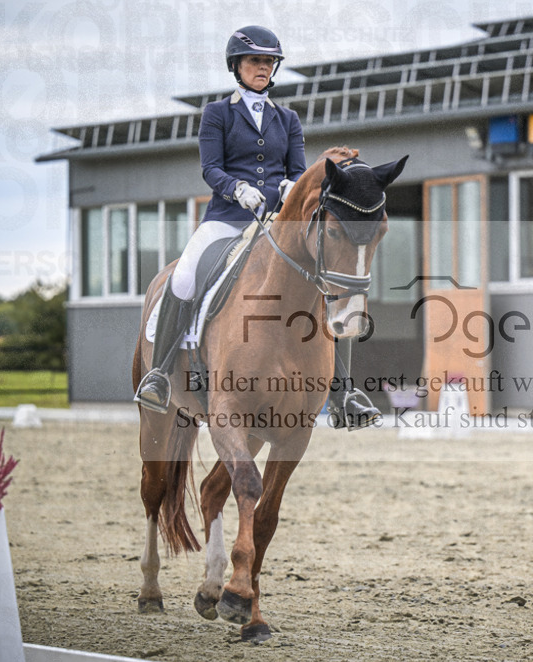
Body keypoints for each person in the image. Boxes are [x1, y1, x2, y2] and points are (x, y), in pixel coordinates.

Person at [135, 25, 381, 430]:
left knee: (325, 286)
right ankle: (160, 374)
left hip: (277, 224)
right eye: (255, 61)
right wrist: (237, 188)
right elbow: (210, 168)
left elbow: (298, 172)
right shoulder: (218, 114)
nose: (263, 67)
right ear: (237, 66)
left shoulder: (288, 119)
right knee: (183, 277)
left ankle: (344, 394)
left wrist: (288, 188)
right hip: (226, 220)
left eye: (269, 62)